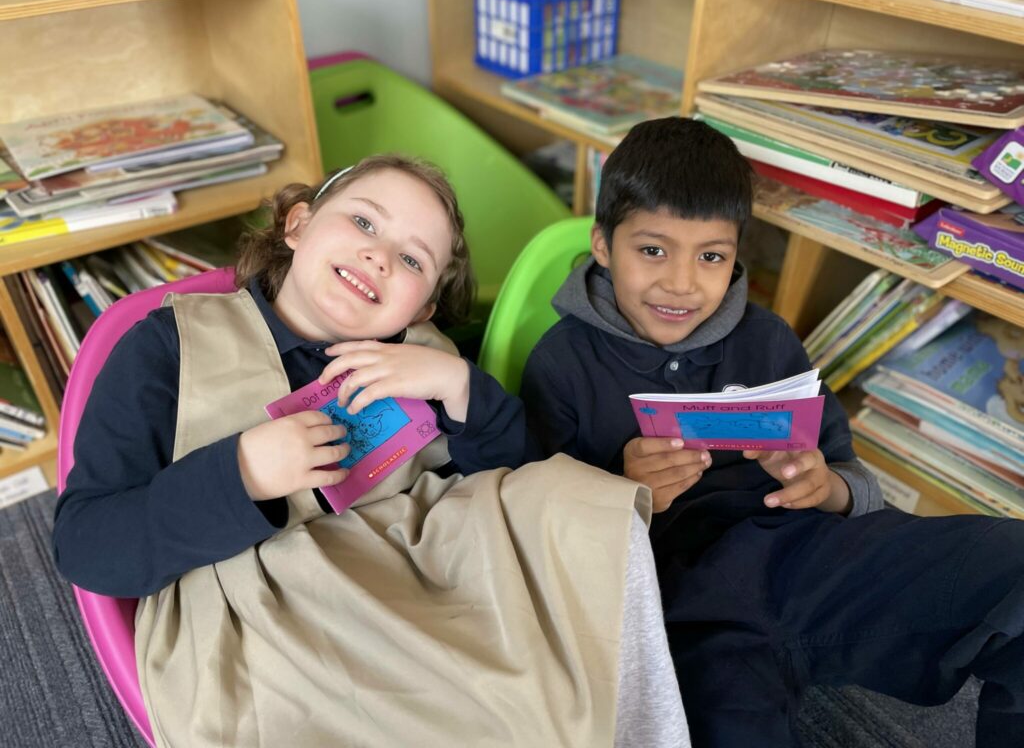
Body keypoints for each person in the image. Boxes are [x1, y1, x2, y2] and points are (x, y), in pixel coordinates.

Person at [54, 155, 689, 748]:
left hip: (429, 574)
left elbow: (518, 481)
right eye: (363, 221)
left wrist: (457, 385)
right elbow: (88, 545)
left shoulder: (427, 353)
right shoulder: (167, 347)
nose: (380, 257)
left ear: (427, 304)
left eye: (413, 261)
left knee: (579, 502)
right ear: (297, 224)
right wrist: (242, 472)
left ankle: (636, 725)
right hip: (278, 607)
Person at [520, 118, 1024, 748]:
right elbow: (538, 544)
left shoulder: (769, 341)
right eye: (652, 250)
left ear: (737, 256)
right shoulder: (560, 365)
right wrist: (625, 494)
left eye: (711, 256)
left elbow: (849, 476)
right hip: (682, 607)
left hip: (810, 560)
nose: (681, 283)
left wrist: (827, 487)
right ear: (601, 245)